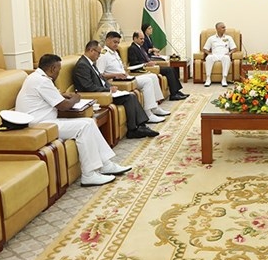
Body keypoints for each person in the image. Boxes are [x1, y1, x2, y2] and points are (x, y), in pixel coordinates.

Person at [15, 54, 131, 187]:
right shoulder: (42, 81)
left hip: (45, 121)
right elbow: (63, 105)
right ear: (53, 68)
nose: (59, 73)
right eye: (59, 70)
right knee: (84, 126)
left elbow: (52, 95)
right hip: (40, 126)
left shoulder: (36, 77)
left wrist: (63, 95)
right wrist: (75, 98)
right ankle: (89, 175)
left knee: (89, 122)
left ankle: (106, 164)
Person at [73, 40, 159, 139]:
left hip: (105, 91)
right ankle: (133, 130)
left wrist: (110, 87)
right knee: (129, 97)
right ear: (91, 50)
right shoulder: (82, 65)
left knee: (131, 96)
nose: (99, 56)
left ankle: (140, 126)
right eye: (98, 53)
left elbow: (101, 78)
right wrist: (107, 90)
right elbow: (88, 87)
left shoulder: (90, 63)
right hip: (99, 96)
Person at [97, 31, 170, 123]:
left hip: (125, 78)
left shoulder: (115, 52)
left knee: (153, 76)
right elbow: (100, 75)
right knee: (147, 81)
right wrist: (116, 75)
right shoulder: (103, 55)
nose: (116, 44)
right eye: (114, 42)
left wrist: (124, 71)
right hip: (115, 81)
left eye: (118, 42)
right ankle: (148, 114)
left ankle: (155, 107)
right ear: (107, 40)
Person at [128, 31, 189, 100]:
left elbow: (147, 56)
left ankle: (176, 92)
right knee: (169, 70)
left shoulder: (140, 47)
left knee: (171, 68)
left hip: (151, 66)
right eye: (141, 39)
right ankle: (173, 95)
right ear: (135, 38)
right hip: (145, 69)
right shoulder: (132, 48)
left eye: (143, 39)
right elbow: (134, 63)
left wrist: (151, 61)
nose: (143, 41)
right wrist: (146, 64)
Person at [202, 22, 237, 87]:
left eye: (225, 27)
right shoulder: (211, 38)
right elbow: (205, 49)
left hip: (224, 55)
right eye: (223, 27)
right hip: (214, 55)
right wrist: (209, 53)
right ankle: (208, 78)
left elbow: (234, 48)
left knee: (226, 58)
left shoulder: (229, 38)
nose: (225, 29)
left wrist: (229, 53)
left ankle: (224, 79)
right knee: (208, 57)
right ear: (217, 29)